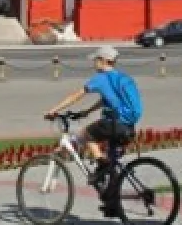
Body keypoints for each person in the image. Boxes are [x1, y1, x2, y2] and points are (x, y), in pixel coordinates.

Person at [44, 45, 143, 195]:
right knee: (111, 160)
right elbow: (107, 101)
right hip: (128, 125)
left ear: (103, 61)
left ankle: (102, 166)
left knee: (86, 134)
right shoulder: (121, 78)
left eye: (96, 60)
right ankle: (112, 199)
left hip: (114, 123)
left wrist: (53, 110)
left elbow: (76, 96)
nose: (94, 63)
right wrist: (87, 112)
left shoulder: (101, 78)